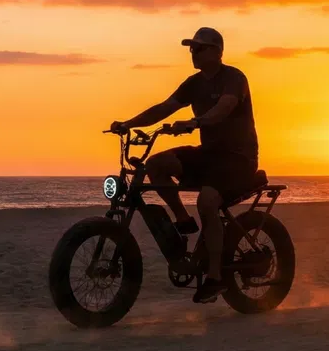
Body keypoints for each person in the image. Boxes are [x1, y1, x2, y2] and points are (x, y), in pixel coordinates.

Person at [110, 27, 259, 303]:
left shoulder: (234, 78)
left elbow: (224, 108)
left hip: (238, 158)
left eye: (199, 48)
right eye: (192, 48)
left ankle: (215, 277)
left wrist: (195, 122)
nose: (193, 52)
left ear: (217, 51)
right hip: (209, 154)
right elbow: (164, 108)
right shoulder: (194, 83)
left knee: (207, 202)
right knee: (156, 164)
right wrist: (127, 123)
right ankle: (182, 219)